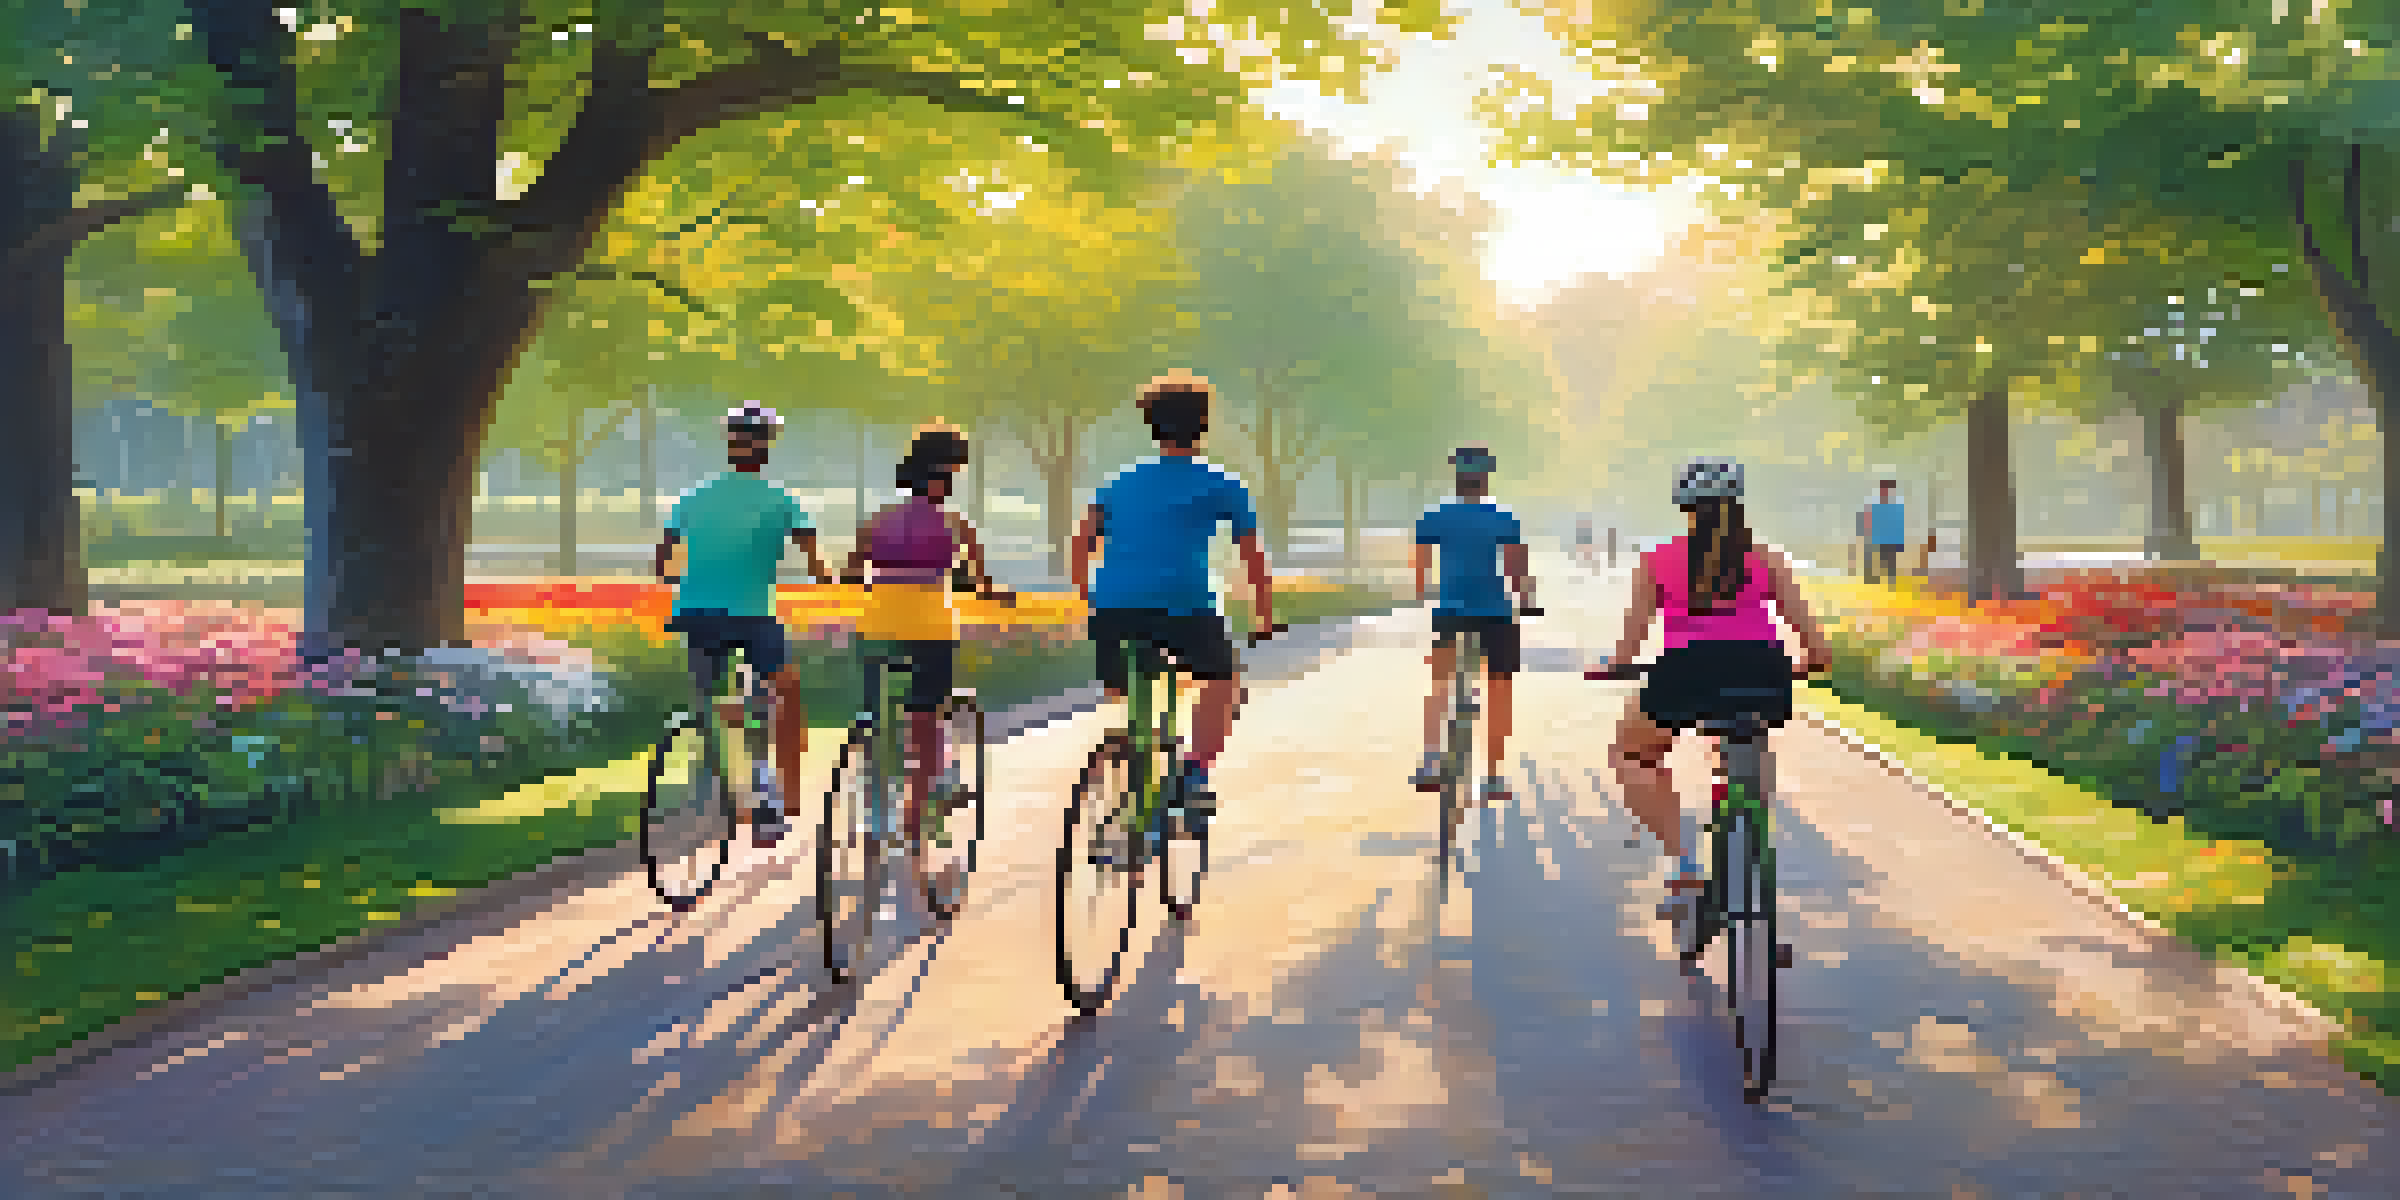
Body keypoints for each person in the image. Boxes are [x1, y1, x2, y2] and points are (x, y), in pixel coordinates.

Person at [1590, 456, 1831, 947]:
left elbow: (1631, 644)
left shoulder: (1660, 559)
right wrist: (1805, 664)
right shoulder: (1766, 556)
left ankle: (1684, 866)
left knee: (1632, 754)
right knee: (1746, 735)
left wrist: (1615, 666)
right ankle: (1750, 828)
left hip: (1687, 670)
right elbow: (1817, 646)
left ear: (1685, 507)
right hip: (1762, 669)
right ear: (1737, 504)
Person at [1070, 371, 1279, 817]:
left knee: (1126, 684)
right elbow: (1253, 558)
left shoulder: (1116, 482)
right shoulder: (1223, 482)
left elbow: (1084, 537)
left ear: (1151, 425)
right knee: (1223, 682)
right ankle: (1195, 774)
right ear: (1203, 424)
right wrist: (1263, 616)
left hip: (1113, 609)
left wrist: (1087, 593)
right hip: (1186, 606)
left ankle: (1135, 754)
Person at [652, 403, 831, 849]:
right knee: (785, 690)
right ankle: (783, 794)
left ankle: (724, 785)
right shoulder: (782, 500)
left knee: (712, 704)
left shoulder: (692, 497)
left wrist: (694, 579)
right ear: (767, 448)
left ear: (728, 445)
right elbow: (817, 566)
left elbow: (662, 564)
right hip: (754, 615)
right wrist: (830, 581)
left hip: (696, 613)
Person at [840, 423, 1014, 870]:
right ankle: (925, 799)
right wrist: (995, 595)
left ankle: (876, 814)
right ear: (942, 479)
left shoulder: (874, 521)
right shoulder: (956, 524)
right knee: (927, 714)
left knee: (876, 717)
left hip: (877, 627)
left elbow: (850, 575)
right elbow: (981, 583)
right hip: (931, 630)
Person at [1410, 445, 1538, 804]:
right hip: (1495, 614)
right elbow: (1516, 571)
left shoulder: (1433, 516)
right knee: (1499, 690)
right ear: (1485, 477)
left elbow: (1420, 570)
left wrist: (1423, 593)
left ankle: (1430, 760)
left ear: (1456, 476)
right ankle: (1494, 775)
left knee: (1439, 684)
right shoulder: (1502, 517)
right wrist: (1526, 601)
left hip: (1451, 612)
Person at [1859, 479, 1905, 585]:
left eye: (1888, 490)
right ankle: (1872, 580)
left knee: (1890, 566)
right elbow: (1868, 523)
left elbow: (1898, 525)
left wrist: (1900, 542)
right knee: (1875, 563)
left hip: (1891, 541)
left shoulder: (1896, 507)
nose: (1886, 492)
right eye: (1884, 490)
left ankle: (1890, 582)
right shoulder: (1876, 507)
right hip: (1877, 540)